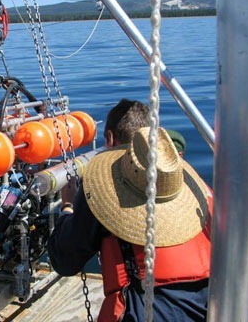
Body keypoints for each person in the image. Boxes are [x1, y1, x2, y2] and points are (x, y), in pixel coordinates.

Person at [48, 126, 212, 321]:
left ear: (109, 138)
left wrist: (68, 206)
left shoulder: (106, 198)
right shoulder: (205, 198)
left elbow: (64, 260)